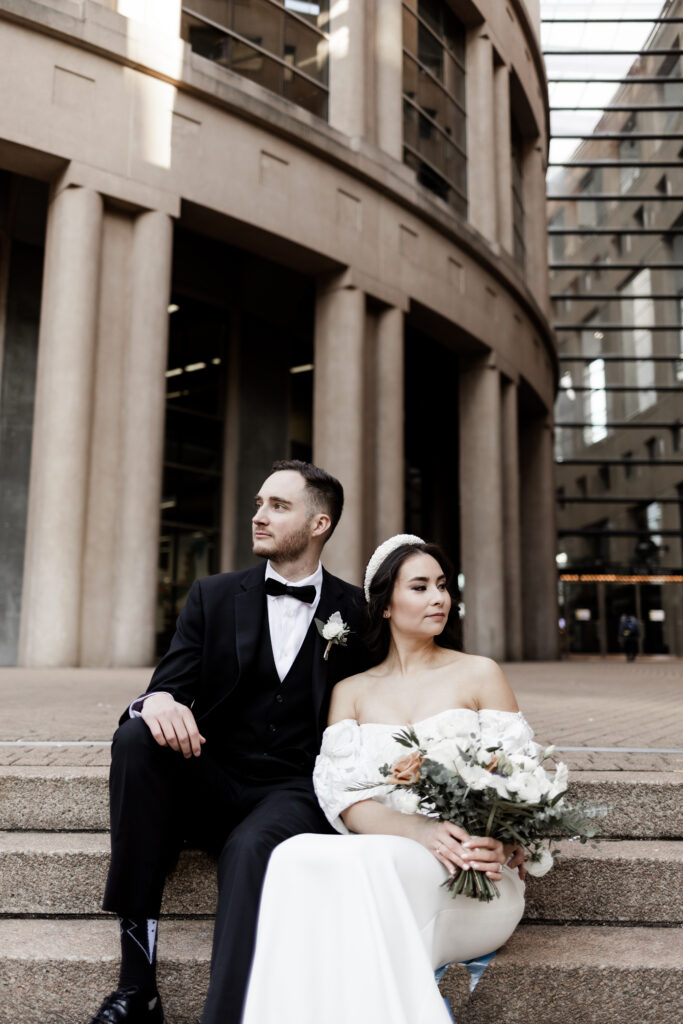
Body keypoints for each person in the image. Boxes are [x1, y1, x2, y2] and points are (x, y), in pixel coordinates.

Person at [87, 460, 369, 1024]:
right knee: (136, 738)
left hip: (292, 789)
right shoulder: (213, 596)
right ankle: (137, 986)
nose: (258, 516)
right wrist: (158, 701)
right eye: (259, 503)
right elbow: (169, 684)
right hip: (211, 776)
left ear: (319, 524)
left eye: (277, 506)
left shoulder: (357, 612)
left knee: (249, 850)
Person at [241, 536, 533, 1024]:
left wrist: (502, 840)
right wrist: (420, 831)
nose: (439, 598)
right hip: (393, 856)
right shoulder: (351, 691)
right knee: (295, 854)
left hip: (473, 877)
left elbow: (520, 779)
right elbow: (344, 799)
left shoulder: (480, 674)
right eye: (420, 587)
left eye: (443, 586)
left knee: (370, 870)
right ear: (383, 606)